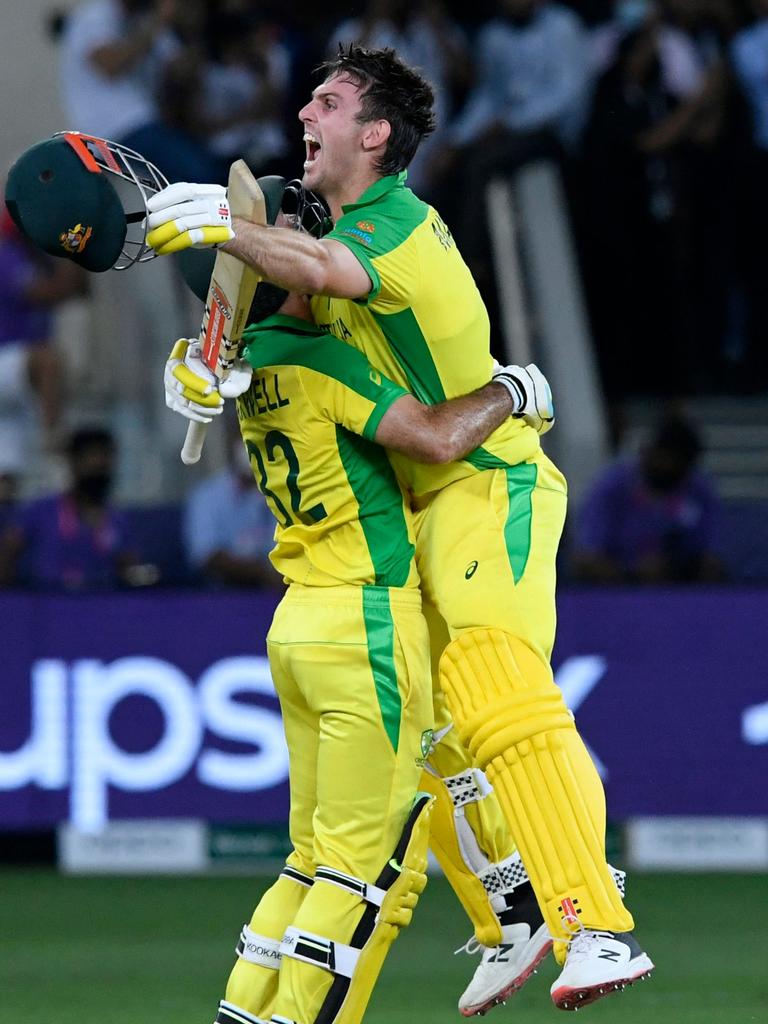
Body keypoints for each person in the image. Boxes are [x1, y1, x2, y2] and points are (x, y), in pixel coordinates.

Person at [145, 44, 653, 1012]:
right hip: (427, 501)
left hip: (489, 476)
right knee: (430, 738)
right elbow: (281, 302)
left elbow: (318, 267)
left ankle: (594, 923)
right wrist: (207, 361)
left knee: (495, 678)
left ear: (375, 135)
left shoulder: (399, 226)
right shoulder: (323, 258)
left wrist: (222, 226)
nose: (303, 111)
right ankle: (514, 910)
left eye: (327, 102)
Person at [163, 176, 554, 1024]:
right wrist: (512, 391)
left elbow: (202, 358)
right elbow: (437, 438)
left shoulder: (234, 362)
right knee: (355, 878)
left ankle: (244, 1012)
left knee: (306, 863)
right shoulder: (322, 357)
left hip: (297, 622)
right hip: (368, 621)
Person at [574, 413, 726, 583]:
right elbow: (585, 559)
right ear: (652, 451)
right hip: (618, 593)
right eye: (669, 461)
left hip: (680, 592)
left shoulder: (698, 490)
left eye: (683, 467)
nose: (674, 470)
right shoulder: (612, 487)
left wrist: (678, 572)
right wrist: (633, 576)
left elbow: (713, 560)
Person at [0, 426, 148, 591]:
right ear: (73, 463)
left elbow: (131, 570)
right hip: (43, 607)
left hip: (99, 608)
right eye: (91, 461)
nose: (99, 466)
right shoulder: (40, 511)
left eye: (104, 464)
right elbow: (6, 555)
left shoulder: (118, 521)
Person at [183, 414, 278, 589]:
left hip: (277, 593)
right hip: (224, 596)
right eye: (243, 437)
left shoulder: (280, 492)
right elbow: (207, 555)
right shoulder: (207, 496)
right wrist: (261, 572)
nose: (250, 445)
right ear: (230, 443)